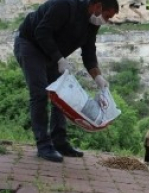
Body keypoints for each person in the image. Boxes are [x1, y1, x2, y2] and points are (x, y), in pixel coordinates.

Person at [13, 0, 119, 162]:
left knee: (62, 96)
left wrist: (98, 77)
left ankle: (59, 142)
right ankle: (43, 145)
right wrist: (59, 59)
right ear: (97, 6)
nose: (106, 21)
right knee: (40, 94)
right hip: (30, 45)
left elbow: (89, 53)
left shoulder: (92, 24)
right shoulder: (64, 6)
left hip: (53, 55)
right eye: (106, 16)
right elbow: (42, 32)